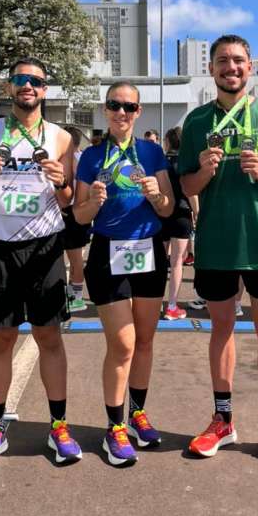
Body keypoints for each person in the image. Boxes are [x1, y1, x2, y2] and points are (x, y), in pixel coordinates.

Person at [179, 34, 258, 468]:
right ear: (211, 69)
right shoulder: (198, 121)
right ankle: (223, 421)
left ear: (250, 67)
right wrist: (204, 171)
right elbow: (186, 185)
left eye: (237, 60)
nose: (230, 67)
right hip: (216, 243)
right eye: (222, 61)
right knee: (221, 329)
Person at [0, 57, 81, 469]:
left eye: (35, 81)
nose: (27, 86)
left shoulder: (61, 138)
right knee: (1, 339)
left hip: (45, 247)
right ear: (9, 87)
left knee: (50, 337)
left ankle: (59, 426)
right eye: (20, 79)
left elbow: (68, 199)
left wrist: (61, 182)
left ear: (45, 90)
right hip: (0, 247)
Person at [74, 82, 174, 466]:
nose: (121, 112)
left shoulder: (151, 152)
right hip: (107, 252)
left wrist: (156, 195)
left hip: (148, 250)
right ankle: (114, 427)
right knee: (123, 344)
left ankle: (137, 414)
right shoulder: (92, 156)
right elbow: (79, 215)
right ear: (105, 109)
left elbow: (167, 208)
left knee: (145, 341)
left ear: (138, 112)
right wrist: (93, 202)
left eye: (129, 107)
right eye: (115, 105)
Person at [161, 126, 194, 320]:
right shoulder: (186, 162)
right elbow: (192, 192)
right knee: (177, 263)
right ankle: (171, 306)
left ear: (168, 142)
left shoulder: (162, 162)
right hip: (182, 213)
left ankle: (154, 302)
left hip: (162, 212)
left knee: (158, 261)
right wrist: (197, 213)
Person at [61, 125, 89, 313]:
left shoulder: (73, 160)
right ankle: (74, 294)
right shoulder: (81, 159)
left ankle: (76, 296)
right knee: (75, 257)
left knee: (74, 257)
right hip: (77, 212)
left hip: (71, 212)